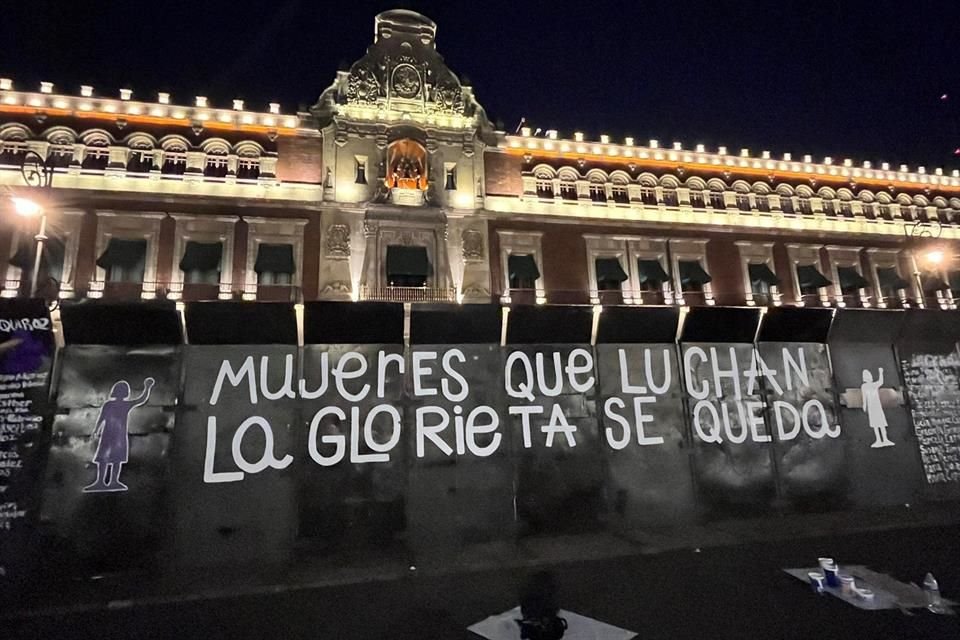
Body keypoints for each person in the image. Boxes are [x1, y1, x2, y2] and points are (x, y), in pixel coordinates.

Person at [84, 377, 155, 492]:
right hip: (112, 435)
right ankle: (103, 481)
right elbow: (102, 418)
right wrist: (96, 430)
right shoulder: (111, 405)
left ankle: (111, 481)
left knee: (115, 458)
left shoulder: (117, 404)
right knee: (106, 458)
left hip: (115, 435)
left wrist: (147, 388)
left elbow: (140, 400)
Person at [860, 368, 894, 448]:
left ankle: (885, 439)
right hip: (872, 407)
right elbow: (864, 397)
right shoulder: (864, 386)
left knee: (881, 423)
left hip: (877, 406)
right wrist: (864, 405)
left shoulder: (873, 385)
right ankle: (878, 440)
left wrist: (881, 372)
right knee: (875, 424)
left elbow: (880, 382)